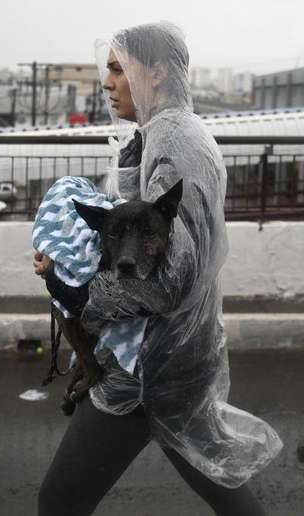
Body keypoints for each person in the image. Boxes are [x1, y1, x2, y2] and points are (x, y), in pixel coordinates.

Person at [34, 22, 283, 516]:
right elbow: (139, 232)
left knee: (60, 500)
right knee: (220, 487)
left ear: (158, 72)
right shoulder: (155, 138)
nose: (106, 82)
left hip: (151, 365)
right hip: (172, 359)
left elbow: (171, 278)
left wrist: (77, 292)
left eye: (116, 69)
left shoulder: (177, 143)